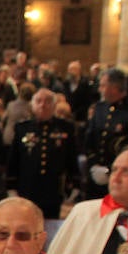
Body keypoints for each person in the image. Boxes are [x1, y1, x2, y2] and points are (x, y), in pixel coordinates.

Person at [8, 89, 79, 219]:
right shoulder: (22, 128)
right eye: (39, 101)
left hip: (52, 189)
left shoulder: (65, 128)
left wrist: (74, 184)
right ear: (32, 105)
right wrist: (11, 186)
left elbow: (71, 157)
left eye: (47, 101)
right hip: (27, 188)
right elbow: (14, 159)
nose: (43, 105)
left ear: (54, 105)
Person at [81, 68, 128, 198]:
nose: (99, 89)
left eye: (103, 85)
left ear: (115, 87)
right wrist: (93, 164)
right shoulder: (100, 108)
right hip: (95, 174)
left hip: (118, 176)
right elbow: (90, 139)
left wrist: (111, 170)